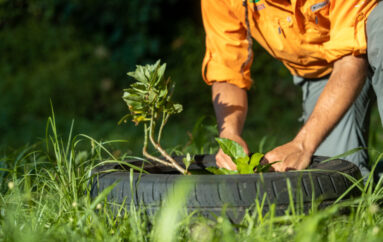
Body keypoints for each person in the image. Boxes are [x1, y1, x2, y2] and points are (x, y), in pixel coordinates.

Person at [201, 0, 383, 177]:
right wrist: (230, 134)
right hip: (325, 72)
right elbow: (227, 68)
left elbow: (351, 62)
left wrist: (303, 144)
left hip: (363, 45)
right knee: (335, 176)